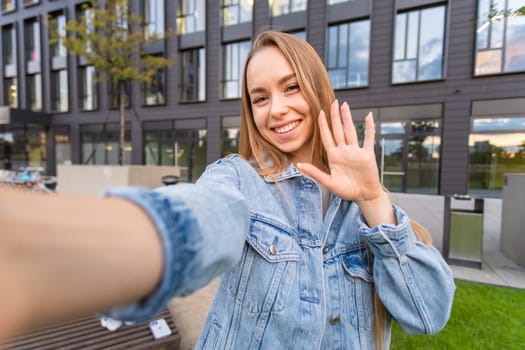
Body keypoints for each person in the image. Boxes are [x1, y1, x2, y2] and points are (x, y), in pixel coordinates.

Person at [0, 31, 455, 349]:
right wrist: (99, 250)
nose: (276, 110)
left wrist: (374, 201)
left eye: (291, 87)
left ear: (318, 89)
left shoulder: (368, 207)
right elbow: (206, 214)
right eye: (260, 97)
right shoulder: (236, 178)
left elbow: (427, 314)